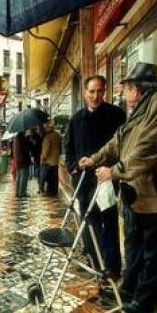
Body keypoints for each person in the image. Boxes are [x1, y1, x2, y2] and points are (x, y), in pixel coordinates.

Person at [79, 62, 157, 313]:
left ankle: (145, 301)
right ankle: (128, 291)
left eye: (127, 88)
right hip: (139, 195)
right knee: (134, 248)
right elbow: (119, 140)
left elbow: (148, 148)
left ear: (138, 88)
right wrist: (94, 159)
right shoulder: (139, 107)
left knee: (154, 256)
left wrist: (114, 171)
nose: (123, 94)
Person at [66, 74, 126, 278]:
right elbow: (69, 147)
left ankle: (111, 266)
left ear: (105, 92)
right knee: (87, 218)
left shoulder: (116, 115)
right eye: (91, 91)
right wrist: (73, 167)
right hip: (83, 180)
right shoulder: (75, 119)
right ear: (85, 93)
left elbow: (123, 146)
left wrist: (114, 170)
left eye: (100, 91)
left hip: (105, 178)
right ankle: (93, 255)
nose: (95, 95)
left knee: (108, 220)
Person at [40, 121, 62, 196]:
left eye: (45, 127)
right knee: (55, 177)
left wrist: (42, 158)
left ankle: (49, 192)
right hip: (56, 160)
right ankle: (54, 191)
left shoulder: (47, 137)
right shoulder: (57, 135)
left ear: (48, 128)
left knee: (49, 178)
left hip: (49, 161)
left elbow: (46, 149)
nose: (44, 129)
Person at [13, 132, 30, 198]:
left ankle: (17, 192)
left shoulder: (16, 138)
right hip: (23, 161)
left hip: (18, 161)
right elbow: (25, 149)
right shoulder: (22, 138)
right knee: (23, 177)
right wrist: (28, 140)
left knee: (19, 177)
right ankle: (22, 192)